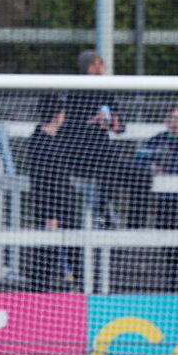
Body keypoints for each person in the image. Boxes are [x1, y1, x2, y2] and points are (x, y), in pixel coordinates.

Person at [59, 50, 127, 227]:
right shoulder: (74, 90)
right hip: (77, 151)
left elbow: (120, 125)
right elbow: (65, 124)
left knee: (115, 170)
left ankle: (103, 215)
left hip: (101, 151)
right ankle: (80, 220)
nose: (98, 69)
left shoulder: (106, 91)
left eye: (100, 64)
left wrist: (115, 123)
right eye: (93, 65)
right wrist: (91, 121)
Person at [25, 94, 80, 292]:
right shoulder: (40, 142)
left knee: (75, 251)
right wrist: (50, 215)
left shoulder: (60, 137)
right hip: (52, 208)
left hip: (67, 204)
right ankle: (38, 294)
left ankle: (76, 289)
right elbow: (40, 182)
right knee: (46, 254)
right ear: (57, 114)